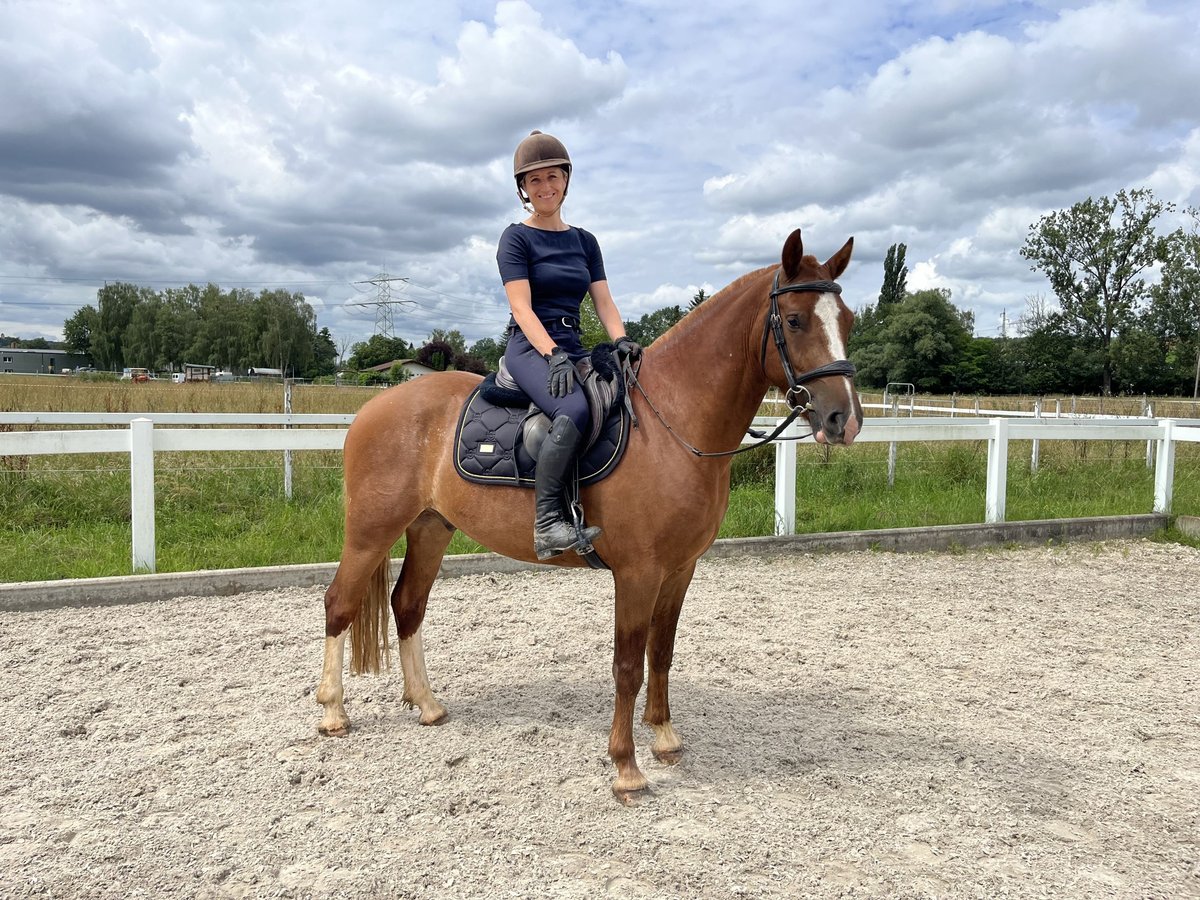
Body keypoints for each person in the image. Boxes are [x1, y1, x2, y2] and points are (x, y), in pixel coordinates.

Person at [496, 130, 641, 560]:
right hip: (529, 347)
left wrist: (621, 340)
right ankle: (546, 525)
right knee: (574, 408)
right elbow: (521, 308)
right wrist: (552, 354)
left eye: (552, 177)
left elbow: (604, 301)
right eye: (534, 180)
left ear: (566, 180)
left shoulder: (584, 241)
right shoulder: (516, 238)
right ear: (523, 188)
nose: (545, 187)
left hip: (573, 346)